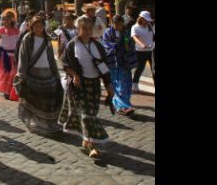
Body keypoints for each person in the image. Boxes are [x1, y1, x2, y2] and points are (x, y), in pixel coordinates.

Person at [58, 15, 114, 159]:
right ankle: (92, 146)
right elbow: (65, 65)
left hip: (94, 86)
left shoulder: (98, 46)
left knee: (91, 114)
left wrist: (109, 86)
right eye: (84, 28)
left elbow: (104, 68)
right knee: (87, 116)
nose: (88, 31)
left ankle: (85, 139)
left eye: (90, 29)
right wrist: (75, 75)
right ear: (78, 29)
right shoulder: (72, 46)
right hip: (78, 87)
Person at [13, 15, 63, 134]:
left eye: (40, 26)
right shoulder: (27, 39)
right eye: (35, 26)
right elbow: (23, 58)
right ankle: (36, 123)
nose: (38, 28)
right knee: (35, 99)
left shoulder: (47, 40)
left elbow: (51, 58)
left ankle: (49, 124)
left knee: (49, 98)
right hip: (33, 74)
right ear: (31, 27)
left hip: (47, 73)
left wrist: (56, 75)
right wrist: (21, 75)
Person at [101, 15, 137, 116]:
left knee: (125, 84)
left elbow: (130, 45)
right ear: (112, 23)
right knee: (116, 85)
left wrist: (127, 45)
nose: (119, 26)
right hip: (112, 62)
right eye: (117, 24)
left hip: (124, 62)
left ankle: (123, 105)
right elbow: (105, 45)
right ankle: (123, 106)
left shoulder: (125, 33)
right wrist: (115, 45)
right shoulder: (108, 32)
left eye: (121, 25)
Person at [0, 11, 20, 100]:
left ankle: (11, 91)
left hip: (14, 55)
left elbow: (18, 44)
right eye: (4, 19)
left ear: (12, 20)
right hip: (4, 56)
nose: (6, 21)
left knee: (13, 74)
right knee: (5, 74)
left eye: (8, 19)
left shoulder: (16, 30)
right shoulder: (1, 30)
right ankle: (6, 91)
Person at [131, 11, 155, 91]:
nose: (147, 21)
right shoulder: (135, 27)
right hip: (140, 51)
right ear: (141, 18)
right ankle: (135, 83)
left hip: (151, 51)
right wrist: (141, 44)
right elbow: (135, 37)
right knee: (140, 68)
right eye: (146, 19)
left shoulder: (150, 26)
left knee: (154, 69)